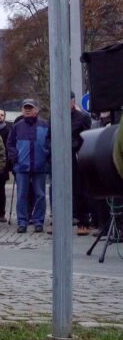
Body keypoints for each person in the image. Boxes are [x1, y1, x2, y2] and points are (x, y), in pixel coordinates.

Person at [7, 99, 50, 233]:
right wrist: (15, 159)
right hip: (22, 167)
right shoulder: (17, 126)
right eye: (25, 107)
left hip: (40, 166)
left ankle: (38, 222)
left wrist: (46, 157)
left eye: (30, 107)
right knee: (22, 195)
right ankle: (22, 222)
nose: (27, 109)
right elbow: (10, 144)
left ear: (36, 109)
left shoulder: (45, 125)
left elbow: (50, 143)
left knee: (40, 195)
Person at [70, 92, 92, 235]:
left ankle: (83, 221)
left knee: (80, 190)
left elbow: (85, 137)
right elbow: (49, 136)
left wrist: (73, 146)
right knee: (58, 190)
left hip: (76, 156)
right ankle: (60, 219)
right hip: (60, 157)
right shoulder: (54, 117)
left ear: (73, 101)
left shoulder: (82, 117)